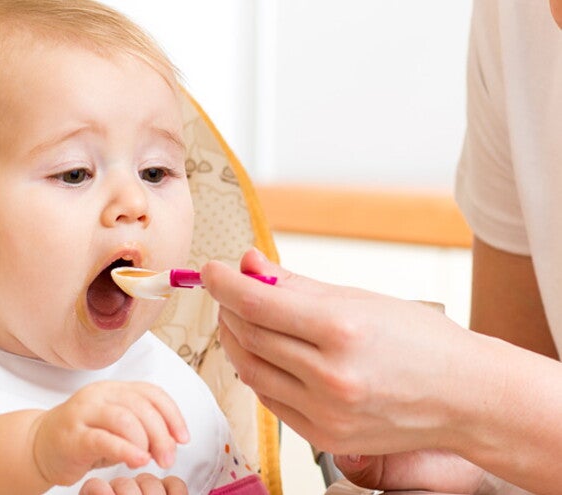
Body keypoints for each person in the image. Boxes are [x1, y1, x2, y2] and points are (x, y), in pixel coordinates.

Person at [0, 1, 266, 494]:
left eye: (155, 172)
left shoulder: (179, 395)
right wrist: (33, 450)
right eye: (75, 173)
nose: (134, 203)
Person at [201, 1, 562, 494]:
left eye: (156, 173)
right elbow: (519, 417)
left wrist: (469, 394)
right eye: (73, 175)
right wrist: (476, 464)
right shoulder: (514, 16)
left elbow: (503, 407)